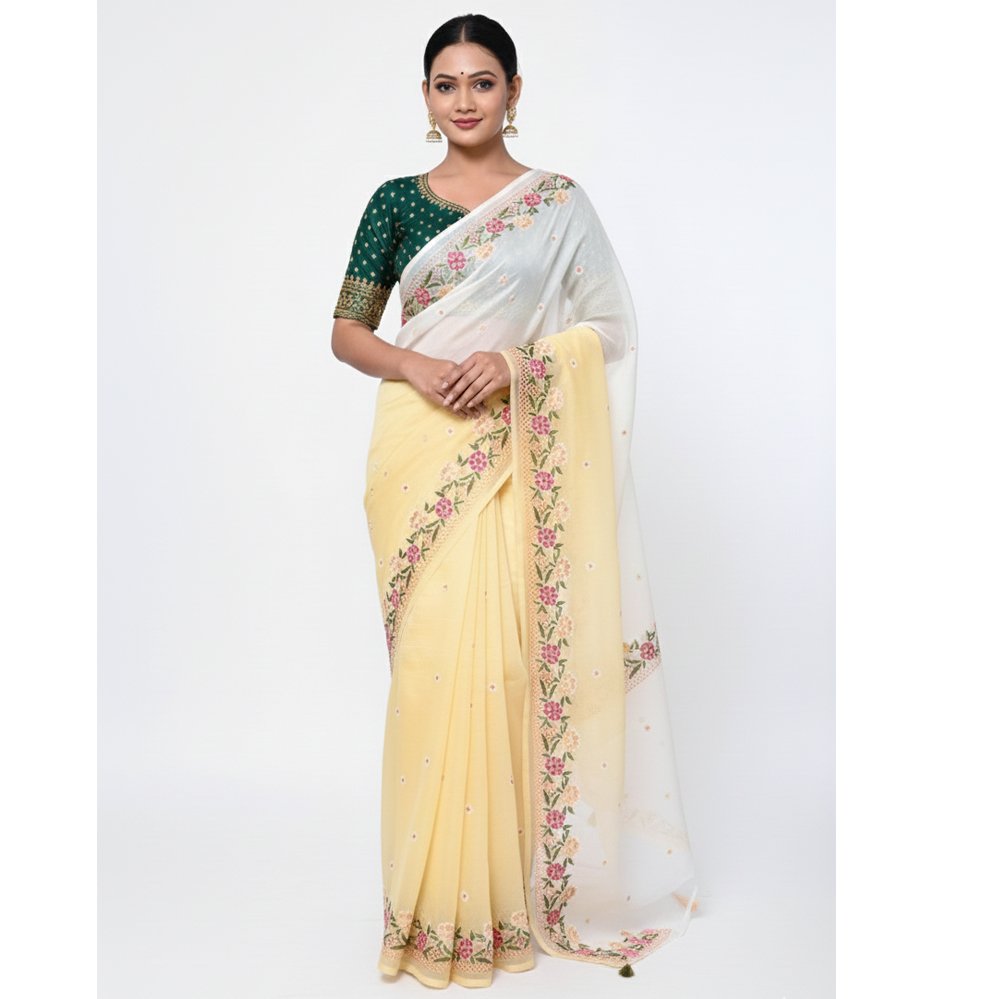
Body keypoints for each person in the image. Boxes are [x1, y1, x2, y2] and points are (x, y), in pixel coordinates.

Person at [330, 14, 700, 990]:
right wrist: (418, 365)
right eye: (446, 83)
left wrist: (514, 365)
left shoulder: (557, 204)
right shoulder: (394, 203)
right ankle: (428, 911)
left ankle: (503, 901)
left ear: (514, 91)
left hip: (515, 440)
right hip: (419, 451)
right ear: (425, 97)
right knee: (430, 674)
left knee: (503, 664)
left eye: (482, 81)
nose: (464, 100)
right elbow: (347, 330)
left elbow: (608, 326)